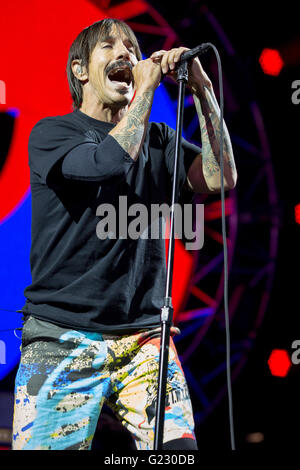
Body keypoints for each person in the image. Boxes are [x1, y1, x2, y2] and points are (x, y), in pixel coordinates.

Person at [12, 18, 237, 451]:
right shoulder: (53, 134)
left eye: (132, 48)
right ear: (80, 71)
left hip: (145, 338)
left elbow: (221, 175)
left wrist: (204, 92)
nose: (127, 55)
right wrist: (149, 89)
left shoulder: (160, 140)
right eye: (109, 46)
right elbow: (108, 163)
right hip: (62, 335)